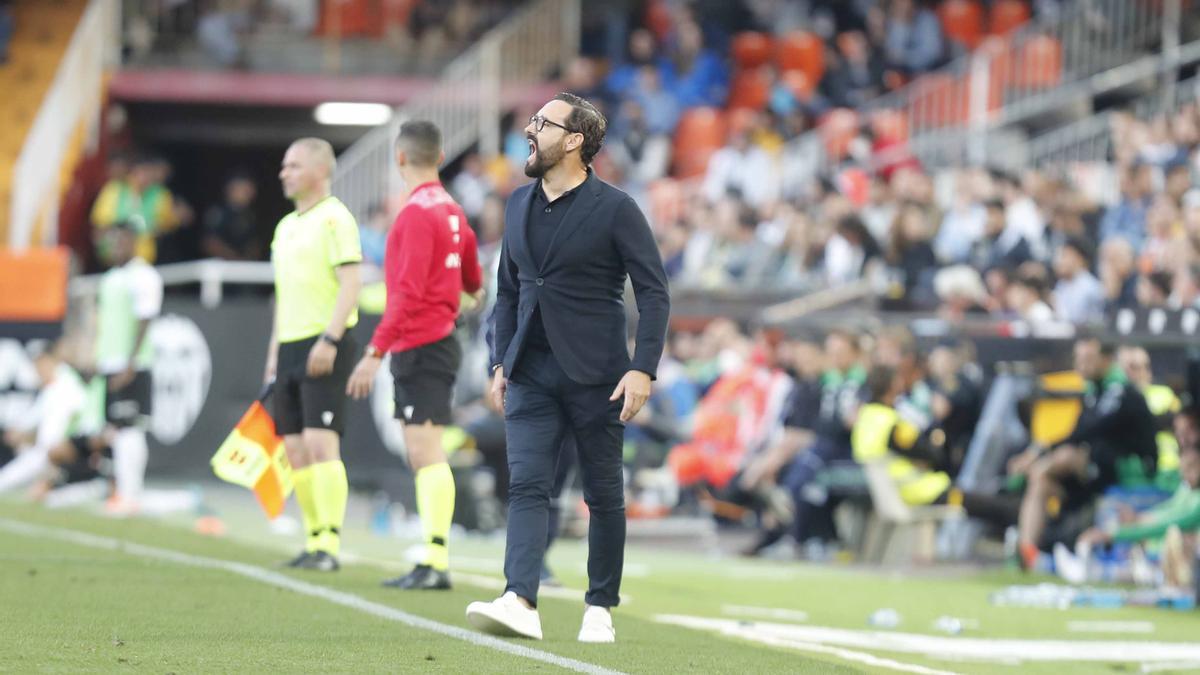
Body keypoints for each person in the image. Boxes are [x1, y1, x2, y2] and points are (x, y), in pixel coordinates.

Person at [466, 93, 670, 643]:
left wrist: (643, 368)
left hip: (599, 376)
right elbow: (509, 292)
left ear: (575, 140)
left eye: (543, 123)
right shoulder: (517, 203)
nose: (529, 131)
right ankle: (519, 598)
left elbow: (654, 293)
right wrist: (500, 360)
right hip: (530, 370)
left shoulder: (617, 208)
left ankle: (600, 606)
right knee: (527, 486)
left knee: (602, 495)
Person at [346, 120, 483, 590]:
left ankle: (435, 559)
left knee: (425, 452)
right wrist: (464, 296)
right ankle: (432, 553)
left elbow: (404, 293)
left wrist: (374, 352)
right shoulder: (453, 212)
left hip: (421, 344)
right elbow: (473, 277)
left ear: (400, 158)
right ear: (440, 157)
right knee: (421, 452)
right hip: (439, 342)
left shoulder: (412, 215)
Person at [266, 137, 363, 572]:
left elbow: (351, 284)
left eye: (294, 166)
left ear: (321, 170)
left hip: (323, 342)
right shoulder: (284, 227)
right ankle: (312, 538)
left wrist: (330, 340)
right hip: (289, 345)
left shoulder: (336, 218)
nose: (284, 173)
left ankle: (330, 543)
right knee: (294, 447)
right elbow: (284, 297)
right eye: (285, 166)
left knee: (322, 442)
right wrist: (273, 353)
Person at [1007, 337, 1158, 569]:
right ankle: (1028, 554)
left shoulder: (1120, 391)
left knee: (1064, 457)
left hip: (1130, 472)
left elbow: (1090, 429)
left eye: (1088, 359)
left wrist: (1040, 452)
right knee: (1041, 480)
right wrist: (1039, 453)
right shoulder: (1093, 390)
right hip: (1095, 473)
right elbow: (1077, 431)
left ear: (1106, 359)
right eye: (1077, 358)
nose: (1080, 365)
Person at [94, 221, 163, 514]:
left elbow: (145, 319)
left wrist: (130, 364)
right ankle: (120, 491)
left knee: (131, 429)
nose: (117, 246)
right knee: (115, 430)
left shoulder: (144, 276)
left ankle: (131, 494)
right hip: (109, 363)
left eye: (122, 240)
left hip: (132, 365)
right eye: (113, 241)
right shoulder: (110, 278)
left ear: (134, 242)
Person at [0, 345, 89, 495]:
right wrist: (20, 432)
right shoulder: (50, 388)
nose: (38, 373)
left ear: (47, 362)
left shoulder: (69, 382)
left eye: (39, 367)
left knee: (10, 479)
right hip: (44, 451)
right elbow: (35, 415)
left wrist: (68, 440)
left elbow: (81, 413)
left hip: (63, 450)